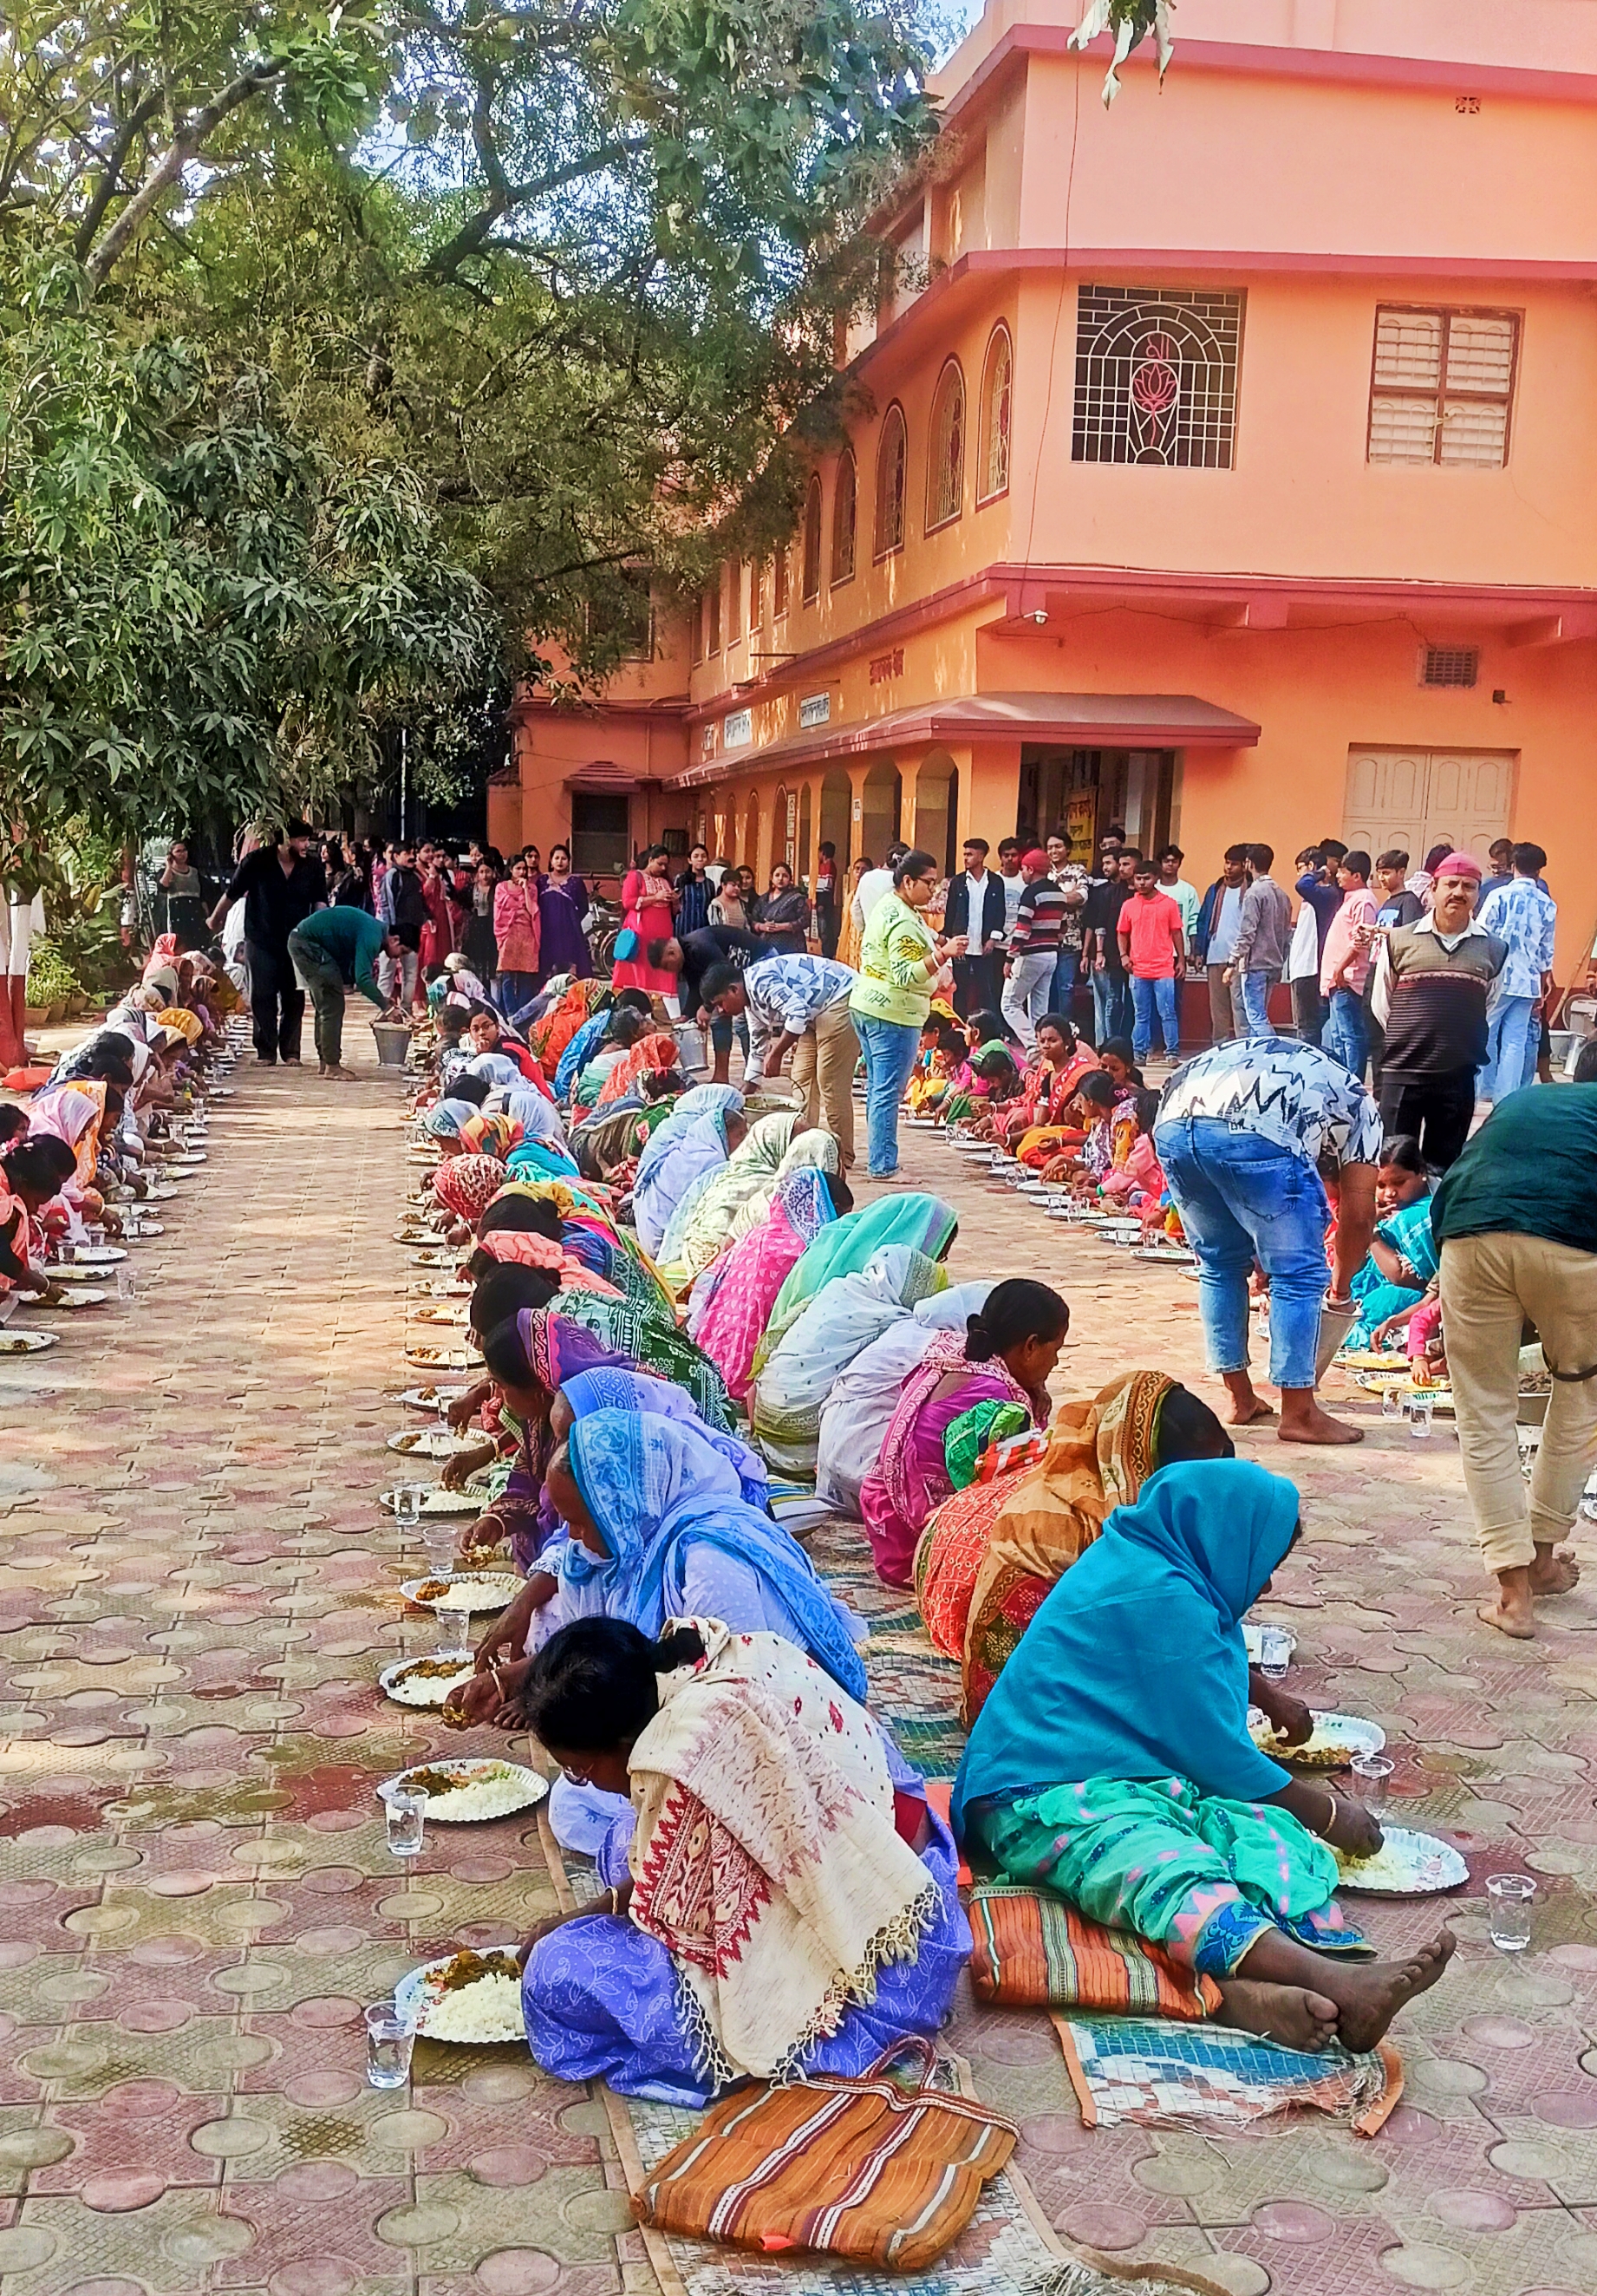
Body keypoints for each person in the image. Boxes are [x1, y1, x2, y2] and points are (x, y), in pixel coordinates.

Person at [953, 1459, 1456, 2054]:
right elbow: (1217, 1754)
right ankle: (1331, 1981)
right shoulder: (1162, 1594)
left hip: (1118, 1772)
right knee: (1158, 1866)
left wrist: (1269, 1701)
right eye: (1264, 1566)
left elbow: (1187, 1671)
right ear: (1223, 1538)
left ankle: (1238, 1990)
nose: (1265, 1586)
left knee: (1259, 1835)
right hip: (1035, 1794)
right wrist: (1327, 1813)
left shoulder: (1159, 1565)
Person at [517, 1616, 966, 2104]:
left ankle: (771, 2041)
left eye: (579, 1770)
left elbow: (698, 1929)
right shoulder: (704, 1659)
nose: (582, 1780)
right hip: (913, 1881)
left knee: (554, 1973)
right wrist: (602, 1906)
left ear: (623, 1743)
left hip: (885, 1972)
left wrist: (579, 1922)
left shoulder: (689, 1751)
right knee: (624, 1840)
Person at [916, 1372, 1239, 1722]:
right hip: (1014, 1696)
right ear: (1146, 1467)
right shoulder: (1086, 1533)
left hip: (957, 1535)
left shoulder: (1093, 1474)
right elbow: (1155, 1643)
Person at [1433, 1041, 1597, 1638]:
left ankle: (1513, 1595)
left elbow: (1463, 1176)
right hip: (1575, 1244)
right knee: (1581, 1397)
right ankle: (1543, 1556)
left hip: (1469, 1232)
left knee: (1484, 1414)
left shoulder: (1528, 1099)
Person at [1154, 1034, 1381, 1444]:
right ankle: (1300, 1413)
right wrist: (1341, 1286)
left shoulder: (1289, 1061)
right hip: (1258, 1127)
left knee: (1220, 1264)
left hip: (1173, 1121)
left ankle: (1240, 1398)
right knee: (1299, 1273)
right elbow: (1360, 1216)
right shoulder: (1359, 1102)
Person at [860, 1278, 1068, 1588]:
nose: (1056, 1361)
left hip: (886, 1521)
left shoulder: (954, 1357)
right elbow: (1017, 1478)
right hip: (918, 1542)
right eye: (1056, 1350)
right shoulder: (997, 1396)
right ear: (1030, 1346)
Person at [1370, 853, 1508, 1170]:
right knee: (1393, 1166)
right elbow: (1382, 1003)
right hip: (1403, 1073)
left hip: (1456, 1076)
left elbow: (1487, 1003)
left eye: (1468, 886)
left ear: (1478, 894)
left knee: (1444, 1168)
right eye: (1451, 884)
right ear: (1433, 888)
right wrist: (1413, 1035)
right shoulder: (1399, 941)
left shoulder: (1493, 948)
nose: (1459, 892)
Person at [849, 848, 961, 1181]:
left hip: (869, 1004)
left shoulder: (890, 906)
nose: (932, 890)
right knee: (887, 1092)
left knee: (878, 1089)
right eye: (928, 883)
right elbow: (904, 974)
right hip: (893, 1013)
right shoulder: (902, 921)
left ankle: (880, 1156)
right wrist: (942, 954)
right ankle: (883, 1163)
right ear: (908, 881)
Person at [688, 1166, 844, 1399]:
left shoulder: (756, 1235)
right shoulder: (805, 1249)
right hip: (751, 1372)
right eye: (841, 1214)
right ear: (826, 1206)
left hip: (713, 1356)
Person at [701, 954, 857, 1169]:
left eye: (720, 1003)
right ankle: (805, 1146)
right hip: (814, 1012)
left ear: (733, 990)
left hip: (840, 997)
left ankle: (842, 1155)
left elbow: (798, 1013)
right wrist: (742, 1096)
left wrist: (777, 1054)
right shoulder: (751, 1006)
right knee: (801, 1079)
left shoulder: (760, 982)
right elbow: (758, 1047)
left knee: (829, 1080)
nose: (721, 1011)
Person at [208, 825, 328, 1066]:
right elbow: (232, 893)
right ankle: (266, 1051)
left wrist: (321, 934)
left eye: (307, 840)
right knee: (262, 994)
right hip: (260, 938)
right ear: (284, 840)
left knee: (294, 996)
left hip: (297, 941)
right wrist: (215, 918)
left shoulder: (313, 866)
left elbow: (320, 902)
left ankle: (291, 1051)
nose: (307, 845)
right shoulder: (256, 861)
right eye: (301, 840)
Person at [285, 904, 406, 1077]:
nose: (398, 957)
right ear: (395, 939)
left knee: (326, 1005)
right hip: (307, 944)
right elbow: (362, 979)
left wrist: (385, 1002)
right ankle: (332, 1065)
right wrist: (386, 1008)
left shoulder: (374, 931)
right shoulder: (372, 935)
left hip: (305, 941)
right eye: (402, 951)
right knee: (332, 1005)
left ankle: (326, 1060)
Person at [1477, 843, 1556, 1106]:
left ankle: (1485, 1088)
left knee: (1487, 1032)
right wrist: (1544, 982)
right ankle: (1506, 1095)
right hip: (1528, 980)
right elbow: (1546, 949)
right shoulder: (1547, 905)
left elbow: (1481, 935)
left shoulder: (1498, 896)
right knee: (1516, 1039)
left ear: (1512, 866)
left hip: (1496, 976)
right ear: (1539, 871)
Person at [1344, 1137, 1437, 1349]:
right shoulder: (1381, 1209)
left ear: (1421, 1173)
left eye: (1399, 1182)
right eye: (1381, 1185)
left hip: (1418, 1296)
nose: (1390, 1193)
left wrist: (1370, 1231)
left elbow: (1402, 1277)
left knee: (1384, 1302)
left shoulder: (1421, 1215)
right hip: (1372, 1285)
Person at [1361, 850, 1424, 1089]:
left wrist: (1377, 930)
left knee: (1389, 1033)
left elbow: (1410, 934)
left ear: (1401, 872)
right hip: (1375, 968)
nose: (1382, 878)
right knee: (1374, 1033)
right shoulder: (1387, 902)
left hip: (1393, 974)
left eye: (1387, 873)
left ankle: (1390, 1087)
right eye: (1380, 873)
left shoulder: (1409, 901)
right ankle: (1379, 1088)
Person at [1118, 858, 1185, 1063]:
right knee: (1141, 1015)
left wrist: (1181, 960)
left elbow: (1177, 933)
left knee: (1168, 1013)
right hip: (1138, 969)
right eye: (1138, 878)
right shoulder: (1128, 905)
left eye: (1146, 878)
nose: (1141, 882)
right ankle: (1139, 1053)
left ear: (1156, 878)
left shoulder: (1169, 904)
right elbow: (1122, 933)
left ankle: (1172, 1052)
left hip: (1164, 969)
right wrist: (1123, 955)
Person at [1319, 849, 1378, 1079]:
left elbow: (1360, 941)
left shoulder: (1364, 901)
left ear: (1357, 876)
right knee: (1338, 1037)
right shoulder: (1351, 899)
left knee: (1350, 1036)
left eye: (1343, 872)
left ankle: (1354, 1084)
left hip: (1348, 979)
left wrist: (1340, 968)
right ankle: (1342, 1082)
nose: (1338, 876)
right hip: (1338, 980)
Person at [1001, 850, 1066, 1051]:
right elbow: (1063, 927)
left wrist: (1010, 958)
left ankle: (1034, 1045)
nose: (1022, 873)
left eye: (1023, 869)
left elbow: (1022, 930)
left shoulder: (1030, 894)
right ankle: (1046, 1045)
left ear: (1031, 869)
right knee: (1039, 1007)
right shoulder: (1059, 893)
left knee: (1010, 1004)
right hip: (1051, 954)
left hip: (1030, 954)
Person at [1226, 844, 1292, 1036]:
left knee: (1255, 1017)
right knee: (1259, 1015)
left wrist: (1232, 962)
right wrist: (1281, 960)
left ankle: (1271, 1049)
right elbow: (1287, 934)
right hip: (1274, 963)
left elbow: (1247, 932)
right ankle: (1260, 1052)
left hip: (1256, 964)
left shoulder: (1254, 893)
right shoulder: (1283, 895)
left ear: (1249, 863)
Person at [942, 838, 1007, 1019]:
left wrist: (993, 939)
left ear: (981, 856)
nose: (965, 858)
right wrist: (950, 939)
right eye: (964, 854)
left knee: (987, 989)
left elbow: (1000, 912)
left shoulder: (995, 882)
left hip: (984, 944)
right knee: (960, 989)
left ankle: (989, 1026)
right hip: (962, 945)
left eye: (970, 854)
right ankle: (959, 1024)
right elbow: (951, 913)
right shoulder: (958, 882)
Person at [1194, 845, 1249, 1045]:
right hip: (1215, 956)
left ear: (1244, 865)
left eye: (1234, 864)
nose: (1228, 867)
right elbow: (1203, 921)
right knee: (1218, 1010)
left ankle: (1244, 1047)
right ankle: (1220, 1047)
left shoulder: (1251, 890)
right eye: (1227, 863)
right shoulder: (1215, 889)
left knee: (1240, 1008)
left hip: (1240, 959)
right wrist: (1199, 952)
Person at [1084, 849, 1136, 1045]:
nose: (1121, 869)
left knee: (1134, 1002)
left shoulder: (1143, 895)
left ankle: (1131, 1043)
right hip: (1113, 955)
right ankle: (1111, 1043)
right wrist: (1099, 952)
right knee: (1113, 1000)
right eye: (1120, 864)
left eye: (1126, 864)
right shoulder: (1109, 893)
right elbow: (1101, 925)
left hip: (1139, 956)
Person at [614, 847, 679, 1000]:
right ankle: (637, 1001)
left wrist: (675, 901)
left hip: (663, 934)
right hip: (641, 933)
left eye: (666, 865)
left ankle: (664, 1007)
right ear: (650, 860)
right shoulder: (635, 877)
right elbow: (628, 902)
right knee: (640, 967)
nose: (663, 868)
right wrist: (655, 898)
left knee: (663, 965)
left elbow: (674, 911)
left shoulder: (666, 881)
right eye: (660, 864)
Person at [375, 845, 427, 1008]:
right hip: (392, 931)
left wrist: (427, 918)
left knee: (410, 973)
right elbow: (386, 905)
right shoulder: (392, 876)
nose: (411, 857)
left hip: (412, 932)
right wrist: (388, 932)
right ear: (396, 856)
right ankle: (383, 1007)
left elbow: (421, 902)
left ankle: (406, 1007)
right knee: (387, 971)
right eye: (407, 853)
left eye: (413, 853)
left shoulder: (416, 876)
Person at [536, 845, 592, 985]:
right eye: (556, 858)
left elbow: (583, 907)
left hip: (569, 934)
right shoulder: (541, 881)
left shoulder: (576, 882)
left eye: (563, 858)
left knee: (570, 971)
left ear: (569, 861)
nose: (560, 861)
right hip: (546, 932)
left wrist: (570, 921)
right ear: (551, 861)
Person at [492, 858, 543, 1011]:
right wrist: (518, 910)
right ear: (511, 869)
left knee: (526, 977)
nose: (522, 872)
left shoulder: (532, 888)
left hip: (527, 935)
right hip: (508, 934)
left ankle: (522, 1013)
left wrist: (525, 889)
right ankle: (511, 1013)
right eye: (518, 868)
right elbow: (500, 911)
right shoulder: (501, 887)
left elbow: (532, 910)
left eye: (524, 869)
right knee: (507, 977)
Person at [157, 840, 209, 950]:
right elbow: (162, 887)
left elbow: (202, 894)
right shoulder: (167, 872)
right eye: (178, 851)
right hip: (177, 913)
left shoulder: (194, 872)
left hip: (194, 913)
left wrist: (206, 914)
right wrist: (168, 866)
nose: (182, 854)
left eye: (184, 850)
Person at [750, 861, 810, 955]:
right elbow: (752, 920)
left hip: (791, 945)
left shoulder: (797, 898)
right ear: (772, 878)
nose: (780, 879)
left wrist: (782, 927)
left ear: (790, 879)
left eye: (785, 876)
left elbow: (805, 920)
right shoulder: (763, 899)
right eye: (777, 875)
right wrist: (762, 927)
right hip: (767, 945)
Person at [1157, 845, 1199, 952]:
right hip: (1156, 952)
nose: (1170, 864)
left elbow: (1193, 923)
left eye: (1174, 861)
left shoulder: (1188, 891)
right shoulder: (1153, 889)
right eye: (1166, 861)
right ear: (1160, 863)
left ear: (1179, 863)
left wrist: (1194, 951)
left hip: (1181, 952)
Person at [674, 844, 714, 938]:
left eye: (703, 856)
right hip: (684, 926)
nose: (700, 859)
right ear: (690, 860)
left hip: (703, 928)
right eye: (696, 856)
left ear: (707, 860)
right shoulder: (681, 879)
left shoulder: (710, 884)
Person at [812, 838, 840, 958]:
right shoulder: (822, 866)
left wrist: (822, 903)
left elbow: (827, 888)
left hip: (825, 903)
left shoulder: (829, 866)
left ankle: (828, 953)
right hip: (821, 901)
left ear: (823, 853)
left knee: (825, 930)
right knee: (821, 930)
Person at [1475, 838, 1517, 912]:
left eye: (1500, 867)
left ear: (1511, 865)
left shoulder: (1487, 886)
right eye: (1493, 866)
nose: (1495, 871)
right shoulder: (1486, 885)